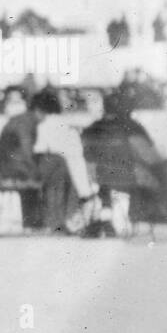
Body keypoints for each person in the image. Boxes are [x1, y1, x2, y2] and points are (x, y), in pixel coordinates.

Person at [82, 92, 167, 243]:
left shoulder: (91, 129)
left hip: (100, 178)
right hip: (132, 178)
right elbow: (151, 158)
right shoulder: (131, 128)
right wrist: (166, 164)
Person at [30, 89, 98, 234]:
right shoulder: (66, 124)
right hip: (78, 171)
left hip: (60, 170)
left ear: (39, 110)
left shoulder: (43, 126)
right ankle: (69, 220)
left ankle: (55, 220)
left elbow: (39, 149)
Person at [0, 102, 44, 229]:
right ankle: (50, 219)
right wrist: (34, 168)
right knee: (55, 169)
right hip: (11, 167)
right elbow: (26, 150)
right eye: (44, 114)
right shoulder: (26, 122)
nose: (44, 119)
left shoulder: (20, 119)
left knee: (53, 165)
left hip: (6, 164)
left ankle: (38, 219)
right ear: (38, 110)